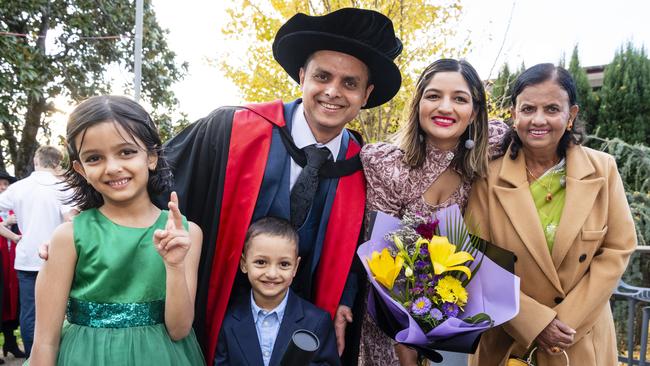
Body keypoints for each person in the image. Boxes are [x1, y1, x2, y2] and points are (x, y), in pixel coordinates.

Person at [159, 8, 402, 363]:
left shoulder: (364, 165)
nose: (333, 92)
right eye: (322, 76)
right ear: (302, 76)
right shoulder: (231, 129)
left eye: (350, 83)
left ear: (366, 94)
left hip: (308, 328)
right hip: (219, 318)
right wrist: (90, 220)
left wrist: (345, 300)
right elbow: (156, 182)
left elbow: (362, 253)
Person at [466, 63, 637, 365]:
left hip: (580, 338)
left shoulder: (604, 169)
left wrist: (564, 321)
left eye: (552, 109)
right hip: (509, 341)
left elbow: (618, 248)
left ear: (571, 115)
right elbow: (475, 259)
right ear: (513, 114)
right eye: (528, 108)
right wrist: (534, 321)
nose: (539, 120)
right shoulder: (487, 177)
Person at [28, 95, 205, 365]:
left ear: (152, 156)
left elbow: (179, 329)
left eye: (126, 152)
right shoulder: (68, 237)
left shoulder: (185, 234)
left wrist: (174, 265)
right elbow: (44, 341)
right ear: (81, 169)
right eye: (95, 157)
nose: (112, 167)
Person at [358, 58, 508, 365]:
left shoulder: (491, 146)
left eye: (460, 99)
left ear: (475, 111)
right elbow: (380, 259)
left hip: (454, 316)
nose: (445, 107)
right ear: (418, 105)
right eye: (434, 95)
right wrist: (404, 338)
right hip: (387, 321)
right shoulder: (386, 164)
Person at [215, 216, 339, 365]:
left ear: (295, 267)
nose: (272, 274)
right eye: (261, 262)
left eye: (284, 264)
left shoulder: (317, 322)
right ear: (244, 264)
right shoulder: (228, 320)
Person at [0, 146, 73, 357]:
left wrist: (13, 237)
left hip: (26, 258)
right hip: (59, 258)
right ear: (58, 163)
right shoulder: (65, 187)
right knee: (65, 311)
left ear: (36, 160)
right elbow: (72, 219)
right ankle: (61, 355)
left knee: (30, 313)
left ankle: (34, 359)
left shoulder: (18, 188)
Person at [0, 168, 24, 364]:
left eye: (6, 184)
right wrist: (5, 223)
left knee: (11, 301)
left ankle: (10, 342)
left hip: (12, 263)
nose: (2, 187)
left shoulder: (16, 208)